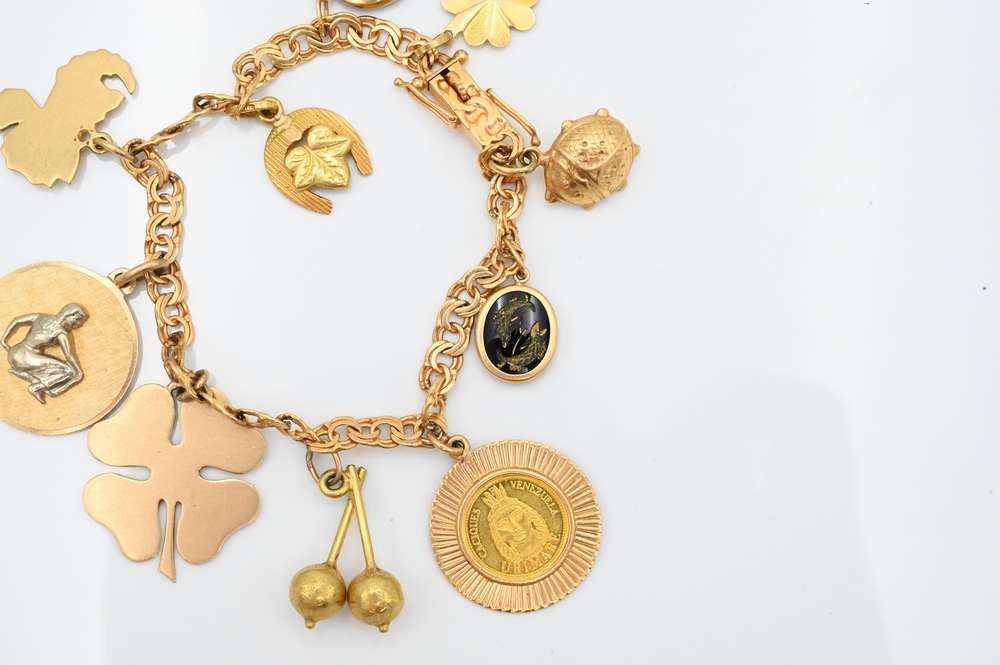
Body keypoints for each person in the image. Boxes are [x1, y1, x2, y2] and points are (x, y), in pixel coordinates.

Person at [2, 304, 88, 403]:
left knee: (54, 371)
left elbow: (17, 320)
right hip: (27, 359)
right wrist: (78, 371)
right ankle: (37, 388)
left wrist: (4, 340)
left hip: (14, 353)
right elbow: (69, 355)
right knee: (69, 372)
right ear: (68, 315)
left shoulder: (41, 317)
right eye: (77, 319)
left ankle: (27, 375)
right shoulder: (61, 333)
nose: (79, 324)